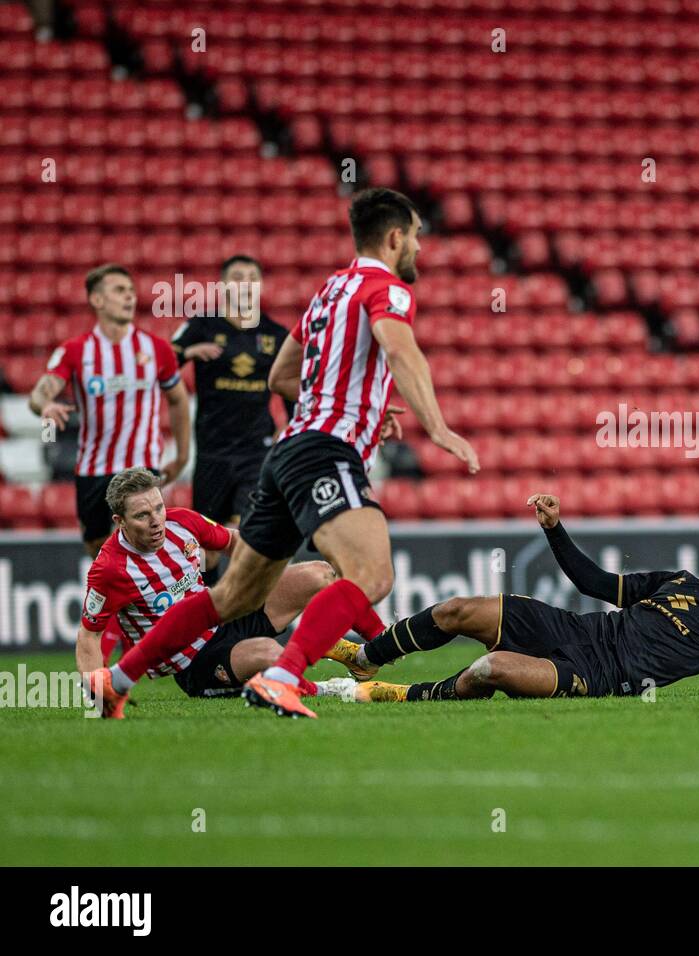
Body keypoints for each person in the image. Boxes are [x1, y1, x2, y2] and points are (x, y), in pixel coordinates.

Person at [95, 188, 479, 719]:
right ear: (395, 238)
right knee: (371, 576)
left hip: (283, 453)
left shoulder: (328, 291)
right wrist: (436, 426)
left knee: (231, 596)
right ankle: (283, 676)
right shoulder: (385, 288)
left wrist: (358, 405)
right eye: (414, 236)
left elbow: (280, 376)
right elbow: (398, 347)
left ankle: (116, 678)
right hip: (324, 452)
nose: (417, 247)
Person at [324, 493, 699, 702]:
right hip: (576, 629)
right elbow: (594, 583)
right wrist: (555, 530)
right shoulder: (676, 578)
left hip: (604, 673)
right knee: (456, 610)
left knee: (490, 669)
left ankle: (399, 695)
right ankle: (367, 658)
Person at [78, 468, 355, 716]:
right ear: (120, 521)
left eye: (159, 508)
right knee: (272, 655)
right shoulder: (111, 569)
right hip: (195, 662)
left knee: (319, 573)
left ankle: (353, 652)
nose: (156, 521)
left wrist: (260, 579)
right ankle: (329, 690)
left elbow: (233, 542)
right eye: (142, 515)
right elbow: (90, 634)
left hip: (226, 614)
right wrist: (98, 693)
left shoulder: (182, 522)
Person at [29, 263, 192, 663]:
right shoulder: (76, 351)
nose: (129, 296)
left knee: (142, 551)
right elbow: (40, 392)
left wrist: (183, 453)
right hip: (94, 471)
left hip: (140, 470)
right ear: (97, 299)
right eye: (118, 289)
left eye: (130, 289)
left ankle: (136, 647)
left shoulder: (156, 349)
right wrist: (46, 406)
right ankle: (125, 641)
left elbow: (177, 400)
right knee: (101, 558)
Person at [171, 254, 291, 583]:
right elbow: (163, 361)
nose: (245, 283)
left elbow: (293, 386)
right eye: (237, 276)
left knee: (245, 534)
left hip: (256, 451)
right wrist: (189, 352)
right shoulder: (203, 325)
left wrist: (293, 427)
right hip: (212, 452)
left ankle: (243, 612)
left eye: (252, 276)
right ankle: (208, 610)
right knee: (208, 545)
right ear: (224, 285)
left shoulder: (276, 334)